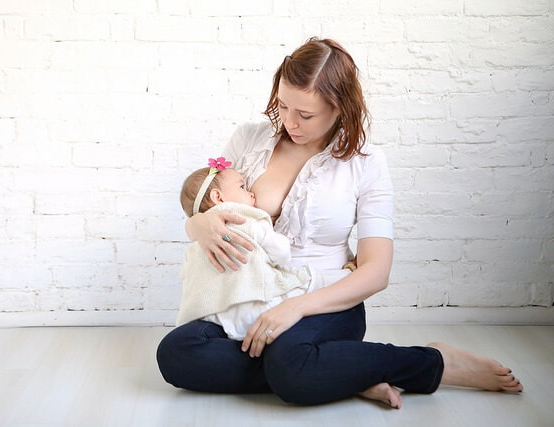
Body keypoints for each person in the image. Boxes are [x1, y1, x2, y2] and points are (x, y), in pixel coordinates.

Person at [157, 37, 523, 408]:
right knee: (176, 353)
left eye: (306, 114)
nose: (289, 121)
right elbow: (209, 197)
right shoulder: (249, 140)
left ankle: (434, 363)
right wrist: (196, 226)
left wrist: (296, 307)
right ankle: (345, 373)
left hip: (325, 302)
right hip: (248, 297)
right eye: (283, 106)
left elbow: (376, 272)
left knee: (291, 368)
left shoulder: (367, 164)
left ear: (339, 107)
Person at [177, 159, 356, 340]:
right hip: (256, 306)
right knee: (304, 280)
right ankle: (346, 276)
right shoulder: (243, 220)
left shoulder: (197, 243)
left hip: (217, 316)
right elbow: (281, 253)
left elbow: (190, 278)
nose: (251, 193)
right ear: (218, 197)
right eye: (242, 187)